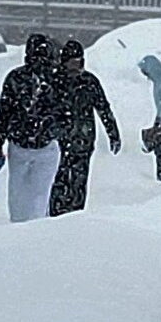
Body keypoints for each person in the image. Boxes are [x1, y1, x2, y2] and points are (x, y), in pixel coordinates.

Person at [0, 33, 66, 223]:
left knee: (18, 195)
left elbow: (4, 112)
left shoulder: (15, 77)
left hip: (20, 142)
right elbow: (65, 113)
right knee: (40, 196)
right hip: (46, 143)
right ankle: (35, 228)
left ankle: (19, 227)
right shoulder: (56, 79)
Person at [50, 38, 120, 217]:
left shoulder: (89, 81)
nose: (75, 66)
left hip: (84, 140)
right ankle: (56, 213)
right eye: (71, 62)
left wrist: (113, 133)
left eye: (78, 62)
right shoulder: (55, 80)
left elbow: (103, 108)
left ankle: (76, 214)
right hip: (60, 140)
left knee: (79, 180)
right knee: (59, 178)